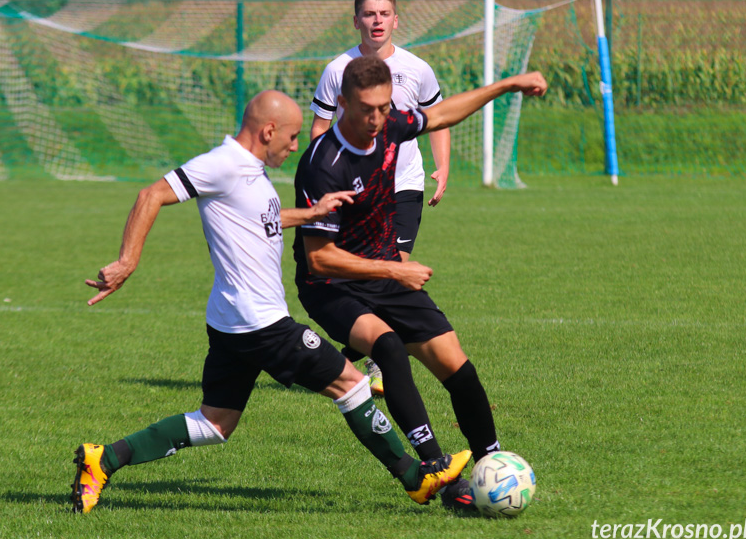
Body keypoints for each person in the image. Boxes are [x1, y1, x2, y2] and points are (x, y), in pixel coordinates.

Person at [69, 90, 471, 514]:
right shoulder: (222, 164)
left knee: (215, 423)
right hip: (260, 321)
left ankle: (104, 459)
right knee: (352, 383)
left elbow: (261, 217)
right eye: (293, 136)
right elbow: (151, 195)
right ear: (268, 131)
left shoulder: (250, 172)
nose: (296, 145)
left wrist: (312, 213)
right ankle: (417, 476)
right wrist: (127, 261)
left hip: (231, 320)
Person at [293, 57, 547, 510]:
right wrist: (395, 269)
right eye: (367, 109)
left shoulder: (389, 125)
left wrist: (507, 84)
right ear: (342, 103)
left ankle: (491, 464)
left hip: (386, 270)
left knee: (459, 370)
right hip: (332, 284)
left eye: (384, 108)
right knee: (387, 347)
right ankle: (439, 473)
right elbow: (318, 258)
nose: (376, 119)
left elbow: (443, 114)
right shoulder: (322, 163)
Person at [310, 0, 451, 395]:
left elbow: (435, 118)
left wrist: (443, 166)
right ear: (356, 21)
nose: (376, 21)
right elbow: (320, 128)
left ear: (395, 20)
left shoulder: (417, 68)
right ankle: (353, 360)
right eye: (369, 14)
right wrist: (321, 181)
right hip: (356, 191)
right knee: (371, 280)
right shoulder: (338, 69)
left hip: (404, 186)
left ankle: (372, 363)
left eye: (384, 13)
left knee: (393, 271)